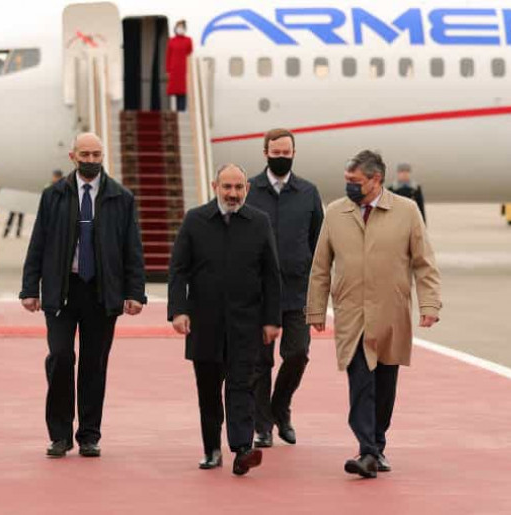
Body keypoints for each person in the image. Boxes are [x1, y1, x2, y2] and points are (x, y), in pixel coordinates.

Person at [306, 150, 442, 478]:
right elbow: (320, 266)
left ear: (375, 180)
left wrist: (429, 304)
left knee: (384, 385)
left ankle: (376, 444)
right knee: (360, 382)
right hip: (351, 314)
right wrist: (315, 309)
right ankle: (367, 450)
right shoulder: (335, 212)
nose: (349, 186)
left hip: (391, 313)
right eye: (347, 180)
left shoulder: (406, 211)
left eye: (355, 181)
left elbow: (424, 262)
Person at [19, 132, 147, 458]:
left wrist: (135, 292)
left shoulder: (121, 197)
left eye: (96, 155)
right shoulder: (53, 195)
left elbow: (132, 249)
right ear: (73, 156)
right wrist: (30, 288)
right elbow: (38, 243)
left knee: (94, 365)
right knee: (61, 358)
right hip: (62, 290)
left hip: (102, 293)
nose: (91, 160)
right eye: (85, 154)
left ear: (103, 156)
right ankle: (60, 435)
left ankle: (89, 435)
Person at [168, 163, 281, 476]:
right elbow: (178, 269)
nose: (233, 193)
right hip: (204, 323)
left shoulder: (259, 222)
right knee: (208, 391)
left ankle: (242, 449)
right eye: (227, 187)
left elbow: (271, 275)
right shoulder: (195, 220)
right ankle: (212, 449)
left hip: (246, 324)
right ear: (215, 186)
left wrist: (271, 319)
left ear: (247, 189)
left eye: (239, 187)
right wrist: (178, 310)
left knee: (241, 386)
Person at [245, 129, 324, 448]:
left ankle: (280, 406)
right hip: (258, 292)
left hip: (297, 291)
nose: (281, 158)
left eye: (286, 153)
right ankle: (262, 426)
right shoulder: (249, 190)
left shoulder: (308, 192)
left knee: (297, 353)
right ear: (265, 153)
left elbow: (319, 242)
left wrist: (318, 285)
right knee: (259, 362)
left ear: (294, 153)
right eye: (276, 153)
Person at [166, 19, 194, 112]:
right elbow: (168, 56)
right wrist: (168, 70)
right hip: (174, 69)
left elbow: (189, 52)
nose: (180, 29)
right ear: (175, 28)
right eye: (178, 27)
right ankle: (176, 111)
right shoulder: (171, 41)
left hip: (183, 69)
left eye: (182, 27)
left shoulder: (188, 40)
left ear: (185, 29)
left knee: (183, 92)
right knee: (175, 92)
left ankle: (181, 111)